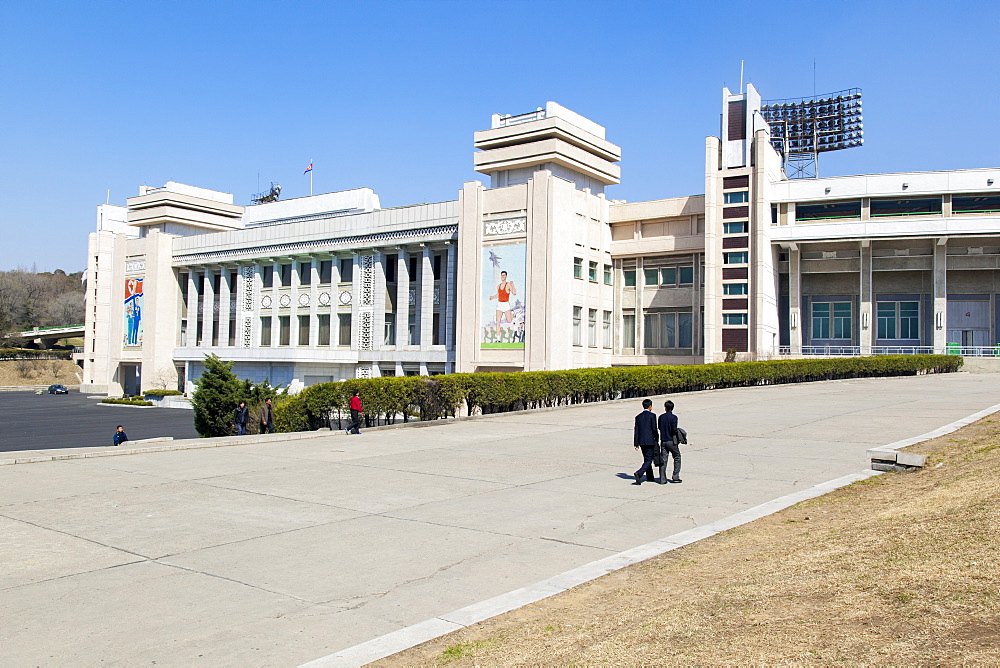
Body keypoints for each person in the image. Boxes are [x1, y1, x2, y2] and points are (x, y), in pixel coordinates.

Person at [632, 398, 659, 485]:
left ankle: (650, 477)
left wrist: (636, 443)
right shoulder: (652, 416)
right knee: (649, 460)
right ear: (650, 406)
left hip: (642, 441)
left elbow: (636, 430)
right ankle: (639, 473)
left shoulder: (638, 417)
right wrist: (657, 438)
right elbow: (654, 428)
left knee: (646, 458)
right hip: (650, 440)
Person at [658, 400, 682, 484]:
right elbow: (674, 429)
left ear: (665, 408)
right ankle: (675, 476)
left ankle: (662, 479)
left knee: (663, 460)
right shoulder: (674, 417)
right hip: (671, 441)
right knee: (677, 457)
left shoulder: (661, 417)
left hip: (663, 440)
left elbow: (659, 427)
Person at [488, 270, 516, 338]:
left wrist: (512, 286)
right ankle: (498, 338)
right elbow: (498, 295)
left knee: (509, 320)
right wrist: (493, 297)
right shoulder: (499, 286)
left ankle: (512, 314)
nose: (503, 277)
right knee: (498, 321)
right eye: (502, 275)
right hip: (500, 304)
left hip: (506, 304)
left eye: (504, 275)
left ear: (506, 276)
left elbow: (514, 293)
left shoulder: (508, 284)